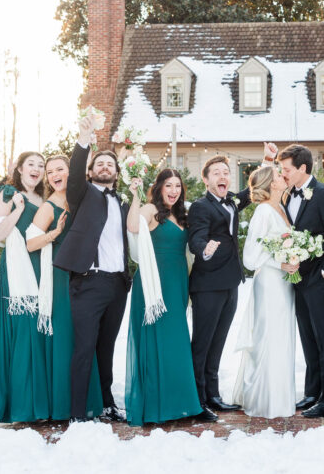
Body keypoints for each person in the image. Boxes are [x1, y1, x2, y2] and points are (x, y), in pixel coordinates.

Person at [52, 113, 130, 423]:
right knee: (83, 349)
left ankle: (108, 403)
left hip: (118, 284)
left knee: (106, 348)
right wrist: (84, 140)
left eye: (110, 164)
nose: (105, 167)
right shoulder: (82, 194)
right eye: (99, 163)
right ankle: (77, 414)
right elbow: (73, 176)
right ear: (91, 171)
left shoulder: (122, 201)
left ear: (117, 172)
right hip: (88, 282)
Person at [25, 154, 102, 420]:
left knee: (84, 340)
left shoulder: (83, 198)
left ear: (73, 172)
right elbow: (30, 244)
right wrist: (54, 234)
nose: (54, 175)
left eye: (60, 169)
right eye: (50, 172)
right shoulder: (49, 206)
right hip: (61, 280)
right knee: (67, 338)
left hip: (88, 276)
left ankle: (87, 403)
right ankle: (62, 405)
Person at [123, 169, 203, 426]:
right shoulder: (150, 210)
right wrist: (135, 195)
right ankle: (157, 406)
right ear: (159, 187)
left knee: (176, 342)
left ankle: (180, 403)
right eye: (168, 185)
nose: (173, 190)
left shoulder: (183, 214)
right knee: (155, 341)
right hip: (153, 285)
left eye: (177, 186)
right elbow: (133, 226)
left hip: (178, 283)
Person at [274, 143, 324, 418]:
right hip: (298, 279)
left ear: (302, 168)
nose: (283, 174)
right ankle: (312, 392)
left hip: (319, 279)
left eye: (287, 169)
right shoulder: (286, 195)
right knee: (308, 339)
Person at [0, 151, 53, 423]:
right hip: (18, 276)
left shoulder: (46, 199)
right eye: (31, 165)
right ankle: (23, 405)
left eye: (41, 166)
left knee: (40, 333)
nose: (36, 170)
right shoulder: (8, 193)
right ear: (20, 169)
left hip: (42, 269)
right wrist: (18, 211)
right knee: (23, 334)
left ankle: (43, 403)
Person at [186, 154, 254, 421]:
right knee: (202, 344)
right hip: (207, 285)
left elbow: (249, 194)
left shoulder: (231, 202)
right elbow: (196, 238)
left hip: (230, 282)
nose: (222, 176)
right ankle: (198, 400)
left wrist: (269, 161)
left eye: (225, 172)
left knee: (218, 342)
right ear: (206, 179)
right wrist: (205, 249)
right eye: (216, 172)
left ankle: (213, 395)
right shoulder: (201, 207)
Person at [233, 164, 297, 418]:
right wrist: (280, 263)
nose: (284, 177)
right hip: (270, 283)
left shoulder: (281, 208)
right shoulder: (262, 211)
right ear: (271, 183)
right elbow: (250, 257)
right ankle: (266, 400)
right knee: (268, 339)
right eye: (280, 175)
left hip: (285, 282)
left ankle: (282, 397)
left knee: (282, 338)